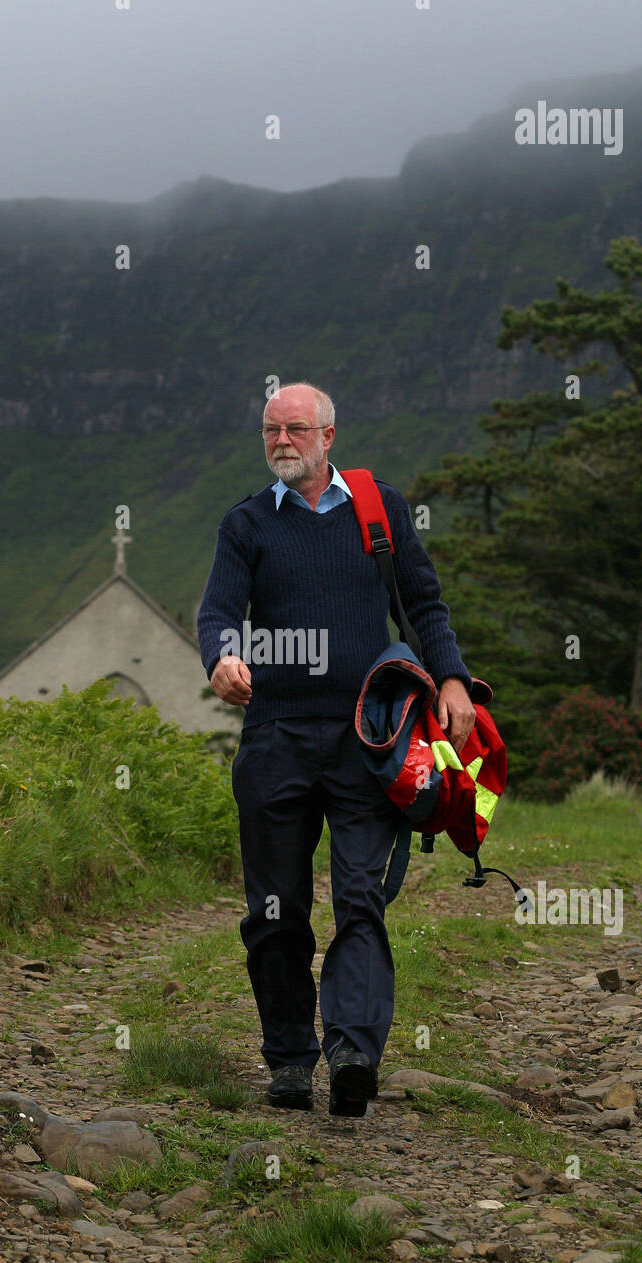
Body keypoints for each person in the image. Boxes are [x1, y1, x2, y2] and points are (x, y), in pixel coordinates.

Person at [197, 382, 475, 1116]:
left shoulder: (379, 511)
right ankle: (290, 1059)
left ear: (328, 437)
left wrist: (451, 680)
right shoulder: (247, 524)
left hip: (367, 738)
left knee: (360, 898)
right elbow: (220, 612)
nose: (282, 441)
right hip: (275, 740)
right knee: (275, 909)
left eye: (295, 429)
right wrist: (224, 657)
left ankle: (352, 1051)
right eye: (270, 430)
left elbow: (422, 603)